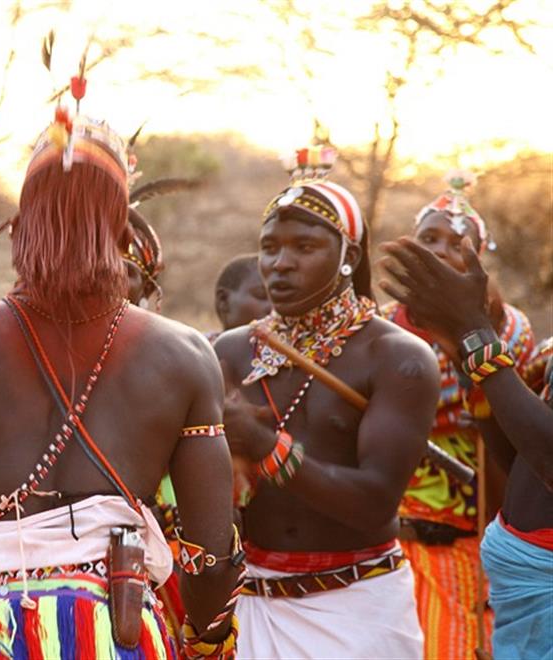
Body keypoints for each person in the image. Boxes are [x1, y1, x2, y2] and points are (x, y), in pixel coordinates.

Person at [0, 97, 243, 659]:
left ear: (23, 219)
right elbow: (210, 553)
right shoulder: (182, 353)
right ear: (121, 222)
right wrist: (210, 645)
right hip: (119, 631)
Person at [213, 146, 439, 658]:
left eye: (304, 246)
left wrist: (263, 447)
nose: (281, 263)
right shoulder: (228, 350)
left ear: (348, 257)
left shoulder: (397, 357)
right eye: (269, 247)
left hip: (360, 606)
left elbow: (375, 501)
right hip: (251, 604)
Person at [379, 172, 535, 659]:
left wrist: (469, 349)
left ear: (478, 255)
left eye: (457, 241)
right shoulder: (380, 328)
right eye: (429, 238)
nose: (442, 250)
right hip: (391, 536)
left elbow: (516, 435)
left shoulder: (508, 329)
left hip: (474, 529)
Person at [213, 254, 271, 332]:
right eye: (261, 295)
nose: (274, 308)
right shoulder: (196, 343)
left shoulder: (287, 343)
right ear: (223, 300)